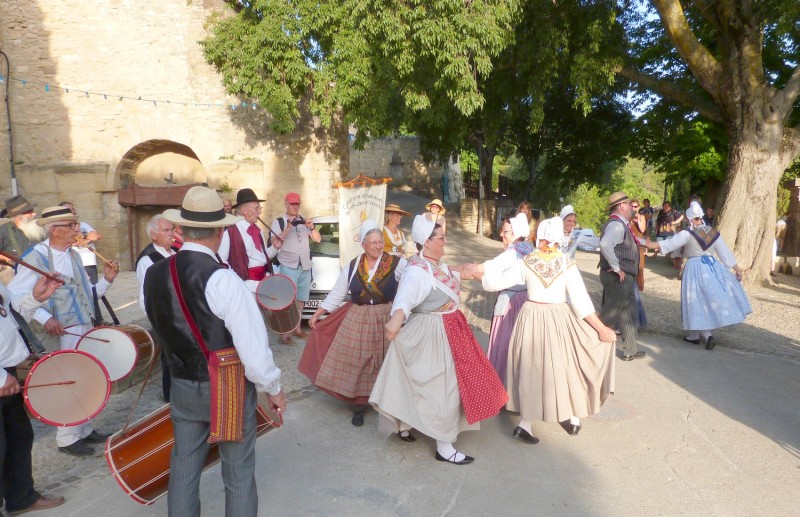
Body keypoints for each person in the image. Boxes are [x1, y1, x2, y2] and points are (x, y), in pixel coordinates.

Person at [143, 186, 285, 516]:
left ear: (183, 228)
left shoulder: (152, 273)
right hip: (227, 386)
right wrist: (273, 388)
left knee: (183, 465)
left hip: (181, 382)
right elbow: (252, 347)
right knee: (237, 472)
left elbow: (158, 320)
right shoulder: (221, 279)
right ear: (220, 231)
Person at [369, 215, 507, 465]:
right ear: (427, 242)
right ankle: (444, 446)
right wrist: (396, 319)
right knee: (442, 388)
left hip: (449, 329)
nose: (445, 241)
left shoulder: (434, 265)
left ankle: (406, 425)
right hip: (432, 332)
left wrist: (463, 270)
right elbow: (406, 298)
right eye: (441, 238)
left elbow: (447, 274)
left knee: (423, 384)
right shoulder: (417, 271)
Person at [476, 217, 616, 441]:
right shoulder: (565, 263)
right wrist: (600, 329)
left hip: (530, 316)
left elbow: (496, 282)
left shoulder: (528, 261)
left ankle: (526, 423)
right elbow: (580, 301)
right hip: (557, 317)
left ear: (539, 237)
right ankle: (572, 416)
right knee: (565, 367)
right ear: (558, 239)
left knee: (532, 369)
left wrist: (475, 274)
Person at [8, 206, 119, 456]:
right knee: (66, 379)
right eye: (71, 225)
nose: (77, 229)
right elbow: (15, 295)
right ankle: (67, 437)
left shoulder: (74, 255)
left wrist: (107, 281)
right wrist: (45, 316)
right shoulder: (35, 257)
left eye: (76, 224)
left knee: (85, 375)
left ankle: (84, 428)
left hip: (82, 326)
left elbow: (87, 293)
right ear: (55, 230)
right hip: (60, 330)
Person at [298, 220, 406, 427]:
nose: (377, 246)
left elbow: (412, 285)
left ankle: (389, 403)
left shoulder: (397, 264)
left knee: (387, 359)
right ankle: (359, 405)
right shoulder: (353, 265)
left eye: (379, 242)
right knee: (358, 360)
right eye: (372, 242)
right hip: (359, 316)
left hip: (386, 316)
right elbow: (338, 293)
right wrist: (317, 314)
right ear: (363, 244)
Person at [645, 201, 752, 350]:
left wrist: (649, 245)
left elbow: (669, 244)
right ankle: (694, 336)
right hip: (712, 267)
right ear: (700, 217)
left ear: (689, 219)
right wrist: (737, 269)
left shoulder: (687, 233)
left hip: (694, 267)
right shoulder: (712, 232)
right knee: (706, 300)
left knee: (695, 300)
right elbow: (724, 253)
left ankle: (706, 335)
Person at [1, 273, 66, 515]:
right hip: (1, 376)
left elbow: (9, 309)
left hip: (7, 373)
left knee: (18, 436)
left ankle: (21, 498)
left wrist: (35, 297)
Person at [479, 213, 531, 381]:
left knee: (504, 343)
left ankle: (502, 386)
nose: (502, 235)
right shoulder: (530, 248)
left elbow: (490, 268)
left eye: (505, 231)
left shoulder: (513, 253)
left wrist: (467, 270)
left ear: (515, 233)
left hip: (512, 303)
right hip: (527, 302)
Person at [135, 214, 178, 402]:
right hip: (165, 314)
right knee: (169, 356)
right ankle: (170, 395)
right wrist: (158, 320)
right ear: (154, 235)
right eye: (166, 230)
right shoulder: (148, 259)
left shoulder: (175, 252)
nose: (171, 234)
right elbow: (145, 295)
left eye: (172, 229)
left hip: (180, 311)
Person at [598, 192, 645, 361]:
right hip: (618, 278)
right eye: (629, 205)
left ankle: (631, 350)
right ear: (622, 206)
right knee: (609, 315)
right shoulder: (617, 225)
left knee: (628, 313)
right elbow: (605, 244)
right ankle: (590, 348)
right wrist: (616, 268)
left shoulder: (621, 224)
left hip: (624, 277)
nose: (633, 208)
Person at [270, 192, 321, 344]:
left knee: (301, 300)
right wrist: (288, 227)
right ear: (286, 204)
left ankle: (297, 329)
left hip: (304, 266)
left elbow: (317, 239)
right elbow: (275, 242)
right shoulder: (279, 221)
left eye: (297, 204)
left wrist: (311, 227)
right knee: (287, 300)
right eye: (292, 204)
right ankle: (285, 333)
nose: (295, 206)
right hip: (288, 265)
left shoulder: (304, 220)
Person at [218, 189, 280, 292]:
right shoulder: (229, 231)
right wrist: (238, 283)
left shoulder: (257, 231)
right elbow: (222, 262)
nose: (259, 212)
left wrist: (275, 248)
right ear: (244, 211)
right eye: (257, 208)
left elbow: (262, 259)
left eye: (260, 208)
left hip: (262, 285)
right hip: (244, 288)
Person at [58, 201, 106, 324]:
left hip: (89, 262)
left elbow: (96, 236)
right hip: (74, 264)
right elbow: (72, 241)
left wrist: (83, 236)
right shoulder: (63, 229)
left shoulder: (83, 224)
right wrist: (83, 237)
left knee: (93, 291)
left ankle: (97, 319)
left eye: (73, 209)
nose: (72, 211)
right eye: (69, 210)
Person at [655, 201, 684, 267]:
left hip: (669, 231)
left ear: (670, 206)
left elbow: (681, 217)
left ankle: (674, 262)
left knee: (670, 246)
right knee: (658, 243)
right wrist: (656, 228)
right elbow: (658, 220)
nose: (665, 207)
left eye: (667, 205)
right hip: (661, 230)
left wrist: (675, 222)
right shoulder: (661, 212)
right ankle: (659, 254)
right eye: (664, 205)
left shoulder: (673, 211)